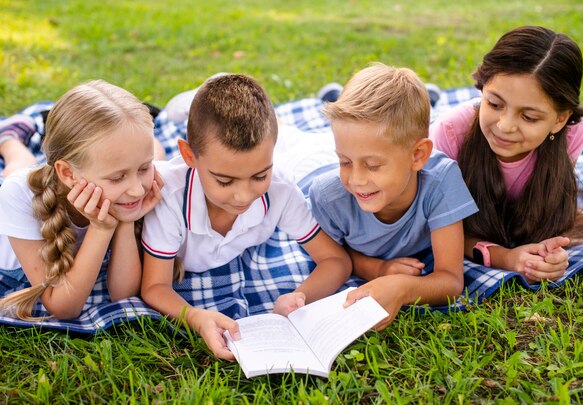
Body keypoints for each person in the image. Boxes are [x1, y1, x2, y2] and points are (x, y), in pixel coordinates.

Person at [140, 74, 352, 360]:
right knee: (153, 156)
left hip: (289, 145)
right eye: (225, 181)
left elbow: (335, 260)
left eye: (259, 176)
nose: (242, 196)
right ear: (190, 156)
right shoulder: (168, 196)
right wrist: (196, 317)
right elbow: (154, 287)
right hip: (165, 166)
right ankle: (189, 100)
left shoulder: (280, 188)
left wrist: (300, 296)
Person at [305, 63, 479, 330]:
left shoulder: (441, 181)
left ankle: (427, 99)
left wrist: (402, 287)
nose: (356, 180)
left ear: (418, 155)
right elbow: (336, 256)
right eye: (344, 162)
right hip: (308, 166)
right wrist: (379, 270)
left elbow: (450, 281)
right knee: (297, 144)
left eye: (373, 166)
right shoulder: (327, 196)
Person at [430, 25, 583, 282]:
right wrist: (508, 258)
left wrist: (547, 255)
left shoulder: (574, 132)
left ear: (559, 120)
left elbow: (542, 211)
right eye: (494, 104)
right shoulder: (448, 134)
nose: (505, 126)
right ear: (481, 89)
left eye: (529, 116)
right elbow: (440, 230)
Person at [0, 80, 163, 321]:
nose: (138, 191)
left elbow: (124, 295)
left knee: (157, 158)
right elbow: (63, 308)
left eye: (143, 168)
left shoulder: (128, 189)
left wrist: (126, 220)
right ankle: (9, 138)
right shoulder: (19, 196)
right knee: (17, 168)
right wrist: (100, 228)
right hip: (20, 194)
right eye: (117, 177)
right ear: (68, 174)